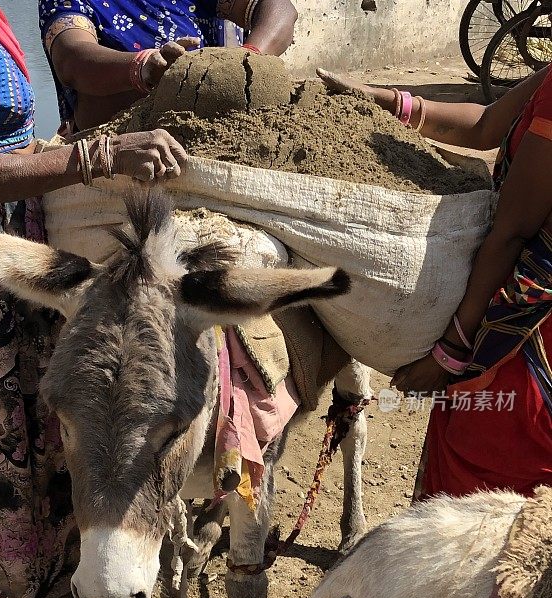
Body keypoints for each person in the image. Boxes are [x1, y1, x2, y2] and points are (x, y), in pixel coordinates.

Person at [0, 0, 187, 598]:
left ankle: (32, 586)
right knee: (1, 439)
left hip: (7, 232)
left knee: (29, 421)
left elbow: (0, 136)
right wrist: (95, 156)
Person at [318, 66, 552, 498]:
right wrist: (381, 99)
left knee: (486, 509)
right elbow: (486, 124)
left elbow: (510, 232)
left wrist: (451, 352)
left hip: (529, 342)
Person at [38, 0, 298, 132]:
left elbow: (279, 9)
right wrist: (145, 68)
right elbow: (72, 59)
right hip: (122, 148)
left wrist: (244, 61)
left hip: (218, 127)